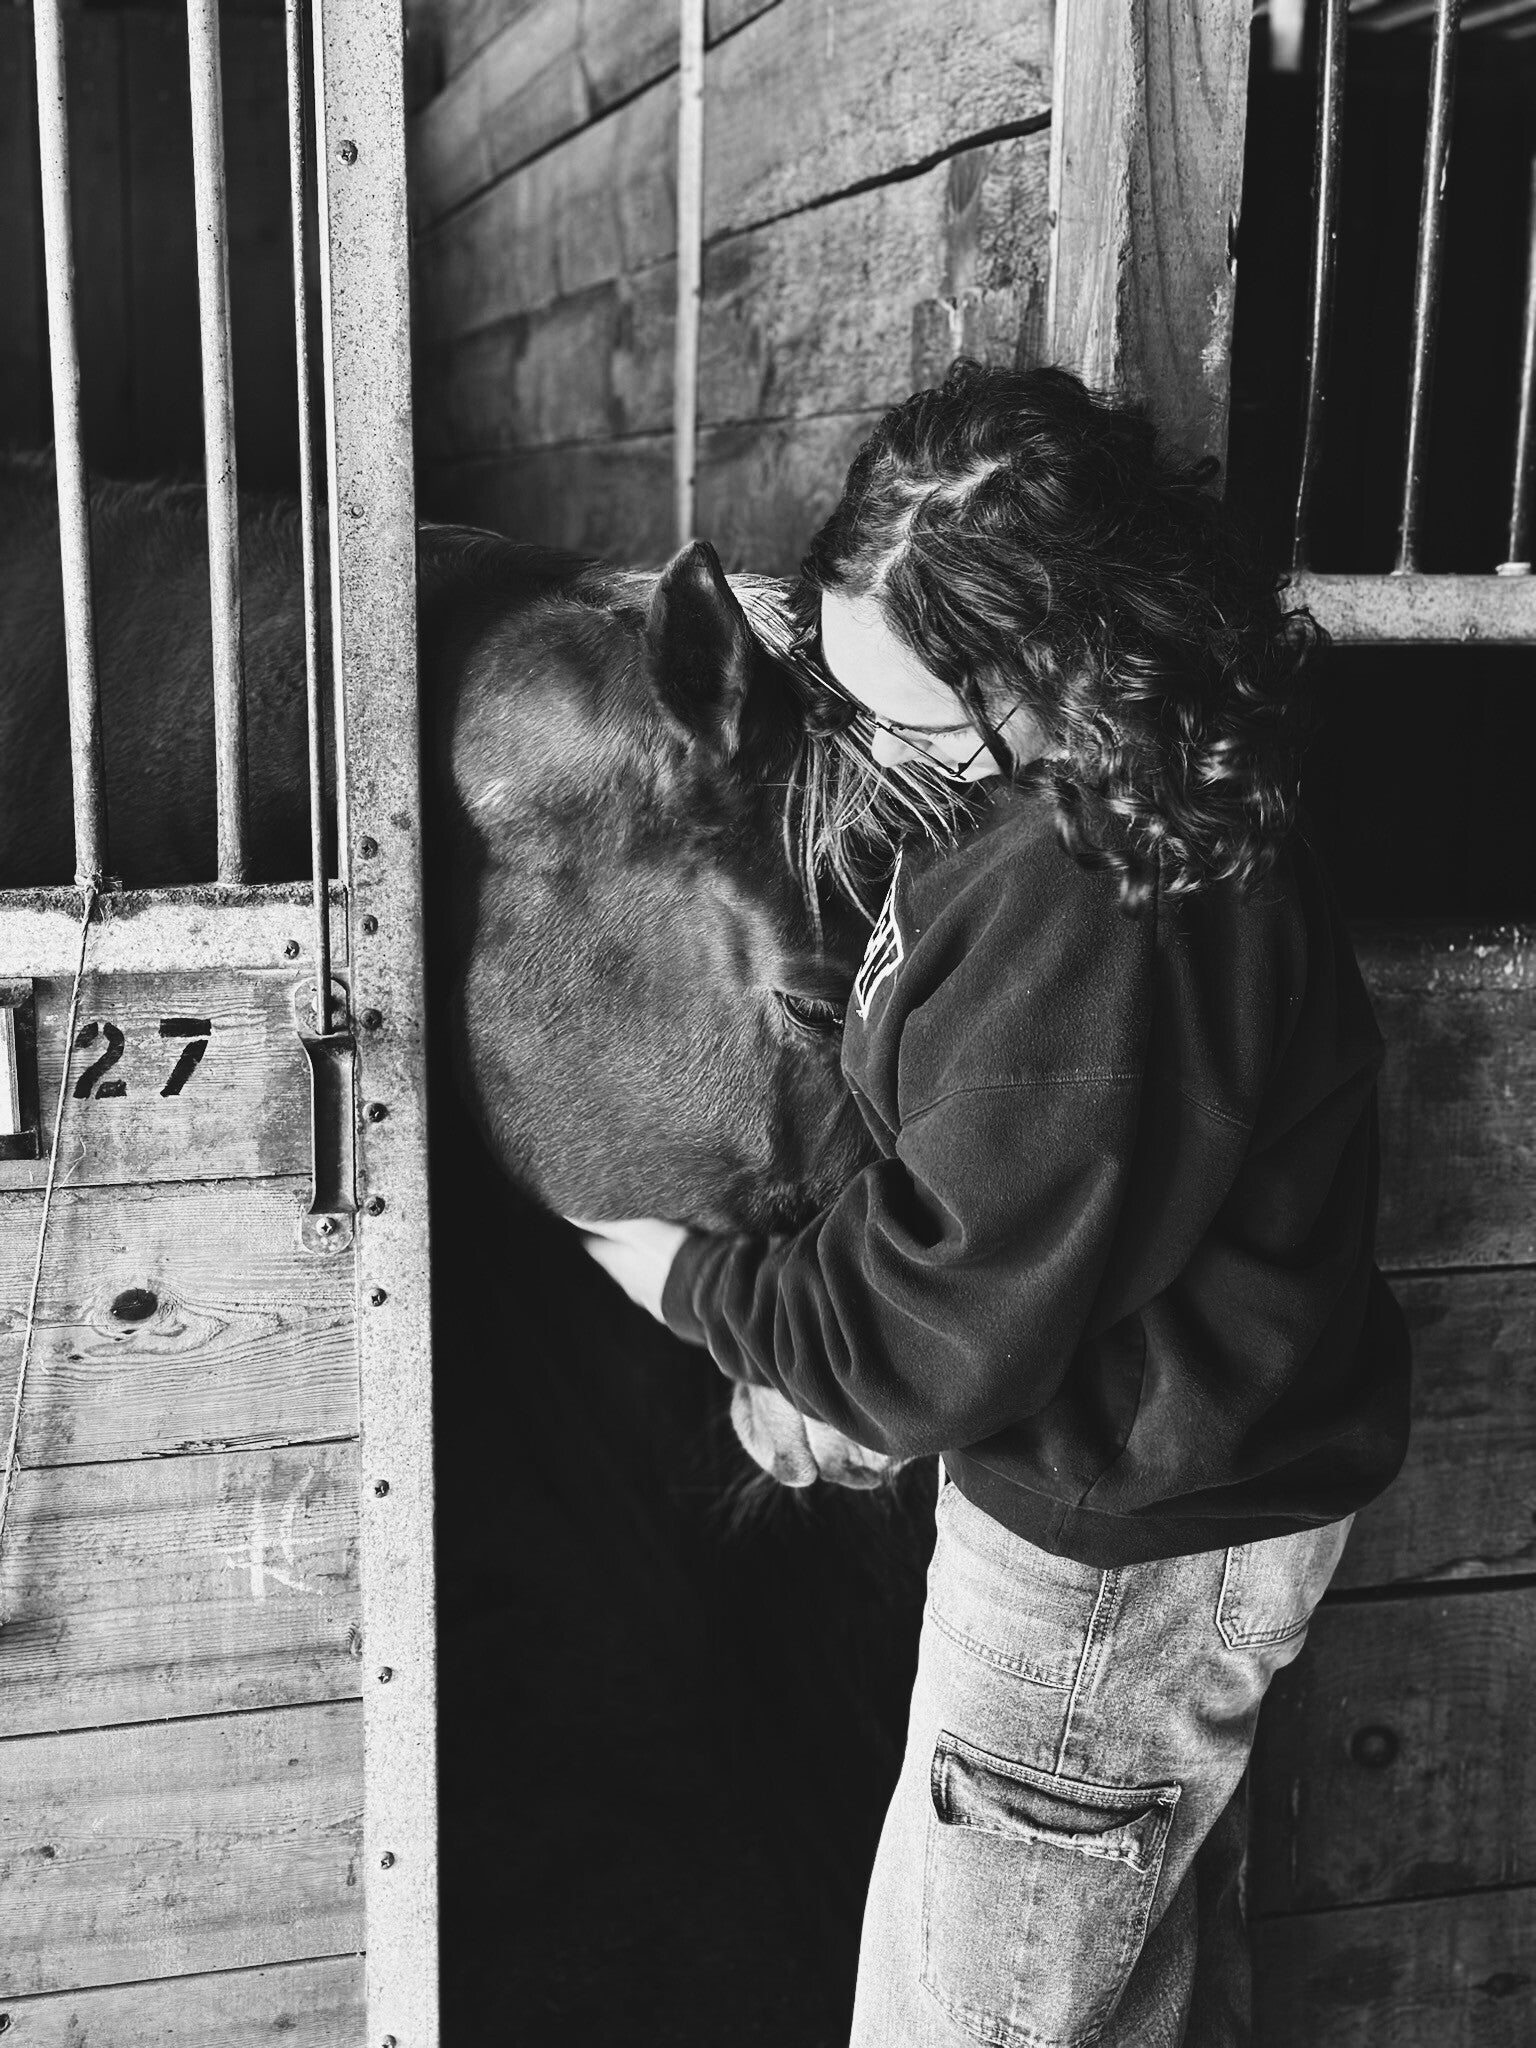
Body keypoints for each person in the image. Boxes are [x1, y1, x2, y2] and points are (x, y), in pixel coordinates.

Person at [575, 362, 1410, 2048]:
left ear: (1054, 672)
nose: (885, 754)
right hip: (1138, 1512)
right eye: (857, 703)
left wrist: (697, 1287)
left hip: (1113, 1570)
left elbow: (939, 1317)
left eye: (919, 722)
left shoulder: (1097, 902)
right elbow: (992, 1195)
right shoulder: (1085, 810)